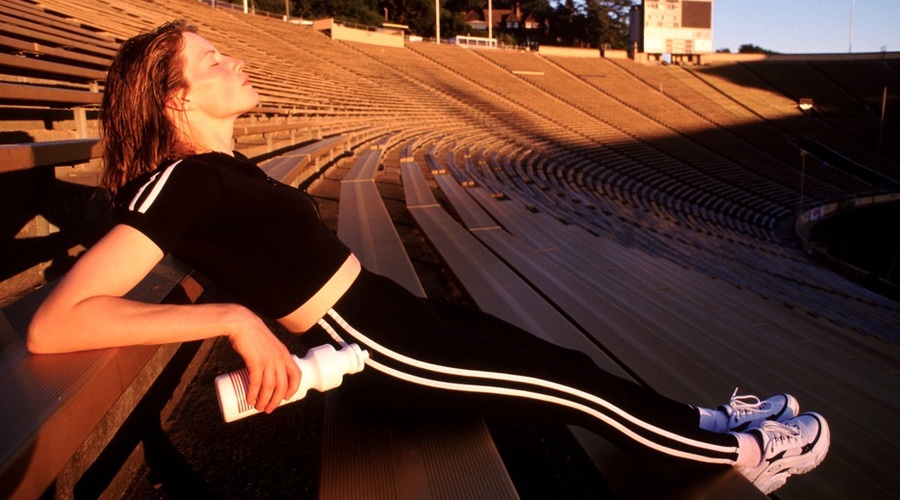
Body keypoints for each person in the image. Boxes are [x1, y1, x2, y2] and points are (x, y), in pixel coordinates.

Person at [26, 20, 829, 495]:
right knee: (571, 390)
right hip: (373, 350)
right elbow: (57, 324)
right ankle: (745, 455)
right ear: (176, 98)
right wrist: (236, 318)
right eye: (211, 62)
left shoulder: (220, 170)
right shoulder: (178, 182)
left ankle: (706, 419)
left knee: (563, 357)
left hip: (385, 315)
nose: (234, 63)